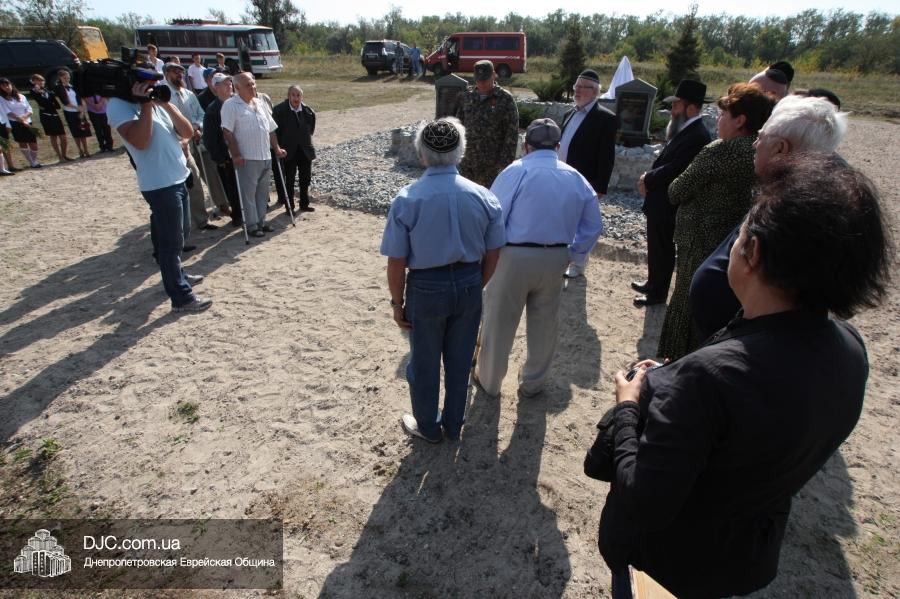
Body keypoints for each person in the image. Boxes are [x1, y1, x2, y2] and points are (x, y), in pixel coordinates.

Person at [593, 153, 892, 599]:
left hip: (667, 568)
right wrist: (674, 387)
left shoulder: (705, 380)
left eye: (740, 233)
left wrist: (630, 405)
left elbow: (643, 500)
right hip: (744, 555)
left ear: (753, 252)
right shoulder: (849, 348)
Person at [380, 118, 506, 442]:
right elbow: (494, 251)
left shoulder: (407, 198)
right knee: (460, 360)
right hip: (469, 280)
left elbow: (397, 261)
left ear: (422, 154)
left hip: (425, 287)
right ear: (460, 152)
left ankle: (428, 426)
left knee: (424, 363)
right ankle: (453, 423)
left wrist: (397, 303)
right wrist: (476, 283)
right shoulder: (484, 196)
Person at [689, 95, 848, 343]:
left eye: (761, 136)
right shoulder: (800, 200)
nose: (755, 144)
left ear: (780, 148)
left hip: (741, 345)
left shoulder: (787, 215)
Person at [473, 118, 603, 399]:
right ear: (558, 146)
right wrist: (575, 254)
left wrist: (486, 254)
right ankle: (533, 383)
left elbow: (493, 216)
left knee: (499, 321)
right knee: (544, 324)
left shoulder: (516, 170)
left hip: (514, 255)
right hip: (556, 256)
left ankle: (490, 381)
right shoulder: (576, 177)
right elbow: (593, 225)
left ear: (526, 145)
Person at [656, 83, 774, 360]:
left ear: (740, 120)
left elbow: (677, 190)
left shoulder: (720, 151)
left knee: (686, 301)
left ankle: (677, 358)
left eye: (723, 115)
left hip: (699, 239)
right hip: (729, 241)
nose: (718, 120)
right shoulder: (759, 152)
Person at [107, 77, 212, 313]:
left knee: (180, 234)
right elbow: (140, 142)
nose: (152, 88)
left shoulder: (157, 105)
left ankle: (178, 274)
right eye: (148, 84)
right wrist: (145, 104)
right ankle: (182, 298)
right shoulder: (119, 105)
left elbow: (187, 131)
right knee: (170, 244)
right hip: (160, 184)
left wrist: (165, 104)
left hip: (178, 177)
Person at [633, 79, 712, 307]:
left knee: (664, 247)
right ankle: (653, 282)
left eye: (677, 105)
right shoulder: (684, 129)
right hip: (660, 199)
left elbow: (677, 168)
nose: (672, 110)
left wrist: (648, 178)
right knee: (656, 245)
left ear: (692, 108)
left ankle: (657, 293)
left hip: (669, 202)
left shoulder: (698, 135)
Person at [558, 69, 617, 278]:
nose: (578, 90)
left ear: (595, 92)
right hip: (562, 178)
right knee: (564, 220)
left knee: (583, 225)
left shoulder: (605, 119)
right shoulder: (569, 113)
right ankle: (561, 258)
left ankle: (577, 264)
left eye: (584, 87)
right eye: (577, 86)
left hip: (585, 180)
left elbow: (607, 156)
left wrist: (600, 186)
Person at [221, 72, 286, 238]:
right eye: (248, 85)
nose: (252, 87)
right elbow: (227, 131)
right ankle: (252, 225)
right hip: (247, 157)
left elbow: (271, 128)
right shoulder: (230, 105)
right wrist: (235, 154)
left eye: (253, 84)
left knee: (263, 193)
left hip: (265, 155)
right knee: (248, 194)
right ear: (238, 88)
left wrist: (277, 148)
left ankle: (261, 221)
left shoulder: (260, 102)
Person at [164, 62, 217, 232]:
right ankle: (186, 221)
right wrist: (182, 133)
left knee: (200, 179)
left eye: (181, 72)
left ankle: (204, 218)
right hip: (177, 144)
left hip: (195, 141)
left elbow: (201, 114)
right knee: (185, 183)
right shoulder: (164, 96)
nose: (179, 75)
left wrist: (197, 126)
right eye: (175, 72)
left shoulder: (189, 94)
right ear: (167, 74)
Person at [454, 60, 519, 188]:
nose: (482, 83)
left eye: (485, 79)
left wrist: (505, 165)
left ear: (494, 75)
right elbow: (458, 126)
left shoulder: (505, 99)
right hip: (467, 164)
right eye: (479, 80)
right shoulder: (467, 97)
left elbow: (511, 133)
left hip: (492, 167)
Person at [203, 73, 242, 228]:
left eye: (230, 83)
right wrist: (220, 158)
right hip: (226, 157)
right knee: (232, 188)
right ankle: (237, 216)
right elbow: (210, 139)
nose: (229, 86)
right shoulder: (213, 110)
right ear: (216, 87)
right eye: (225, 84)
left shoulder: (238, 102)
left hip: (243, 152)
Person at [272, 85, 316, 213]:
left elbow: (310, 129)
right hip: (288, 151)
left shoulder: (308, 111)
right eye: (293, 95)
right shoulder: (279, 110)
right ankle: (289, 206)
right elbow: (275, 131)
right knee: (289, 180)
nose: (296, 98)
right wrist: (278, 147)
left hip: (305, 151)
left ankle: (304, 204)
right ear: (288, 96)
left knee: (305, 179)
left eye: (298, 95)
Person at [0, 77, 41, 168]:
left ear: (11, 84)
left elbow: (29, 109)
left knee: (33, 144)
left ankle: (34, 160)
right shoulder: (2, 99)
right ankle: (32, 162)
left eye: (7, 84)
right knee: (23, 142)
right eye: (3, 86)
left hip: (27, 121)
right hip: (15, 123)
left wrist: (24, 118)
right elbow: (8, 112)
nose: (7, 87)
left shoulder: (21, 96)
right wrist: (20, 119)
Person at [29, 74, 71, 162]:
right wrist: (39, 93)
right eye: (39, 80)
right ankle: (60, 156)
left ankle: (64, 155)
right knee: (53, 136)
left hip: (55, 114)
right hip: (46, 116)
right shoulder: (33, 91)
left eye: (42, 80)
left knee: (63, 137)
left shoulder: (48, 91)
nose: (41, 82)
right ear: (34, 82)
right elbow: (41, 101)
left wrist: (49, 102)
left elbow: (57, 105)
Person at [54, 69, 92, 158]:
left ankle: (86, 149)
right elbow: (65, 102)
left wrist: (81, 109)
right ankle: (80, 150)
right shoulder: (59, 88)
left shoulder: (72, 86)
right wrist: (76, 108)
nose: (67, 79)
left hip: (79, 111)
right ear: (60, 78)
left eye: (68, 78)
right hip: (70, 112)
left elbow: (79, 98)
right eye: (64, 78)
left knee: (83, 130)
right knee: (75, 131)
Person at [0, 96, 18, 174]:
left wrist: (8, 124)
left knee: (5, 146)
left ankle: (10, 167)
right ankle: (2, 169)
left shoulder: (0, 98)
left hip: (2, 123)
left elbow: (4, 111)